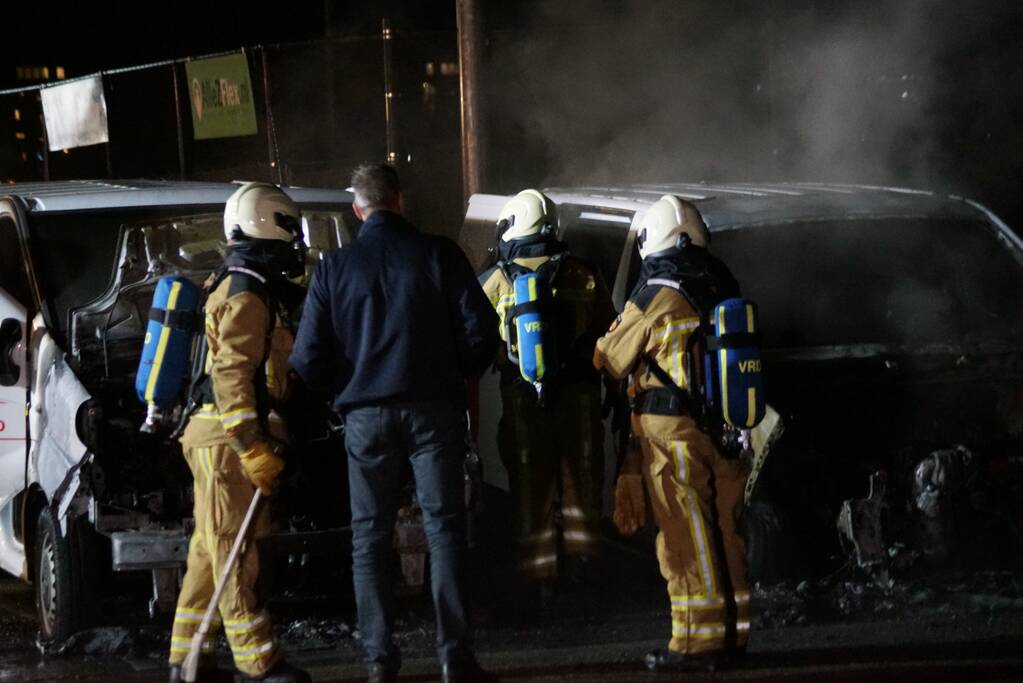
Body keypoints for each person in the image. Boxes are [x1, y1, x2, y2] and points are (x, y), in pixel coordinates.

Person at [289, 164, 499, 683]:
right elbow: (482, 331)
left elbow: (306, 357)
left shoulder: (334, 268)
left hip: (365, 418)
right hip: (434, 411)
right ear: (400, 200)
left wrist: (345, 390)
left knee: (369, 537)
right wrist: (455, 375)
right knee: (444, 530)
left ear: (357, 210)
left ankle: (379, 660)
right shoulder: (439, 255)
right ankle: (455, 656)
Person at [593, 195, 750, 672]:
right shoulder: (722, 282)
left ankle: (696, 643)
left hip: (672, 432)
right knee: (726, 532)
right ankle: (733, 634)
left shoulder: (655, 291)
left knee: (685, 533)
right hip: (726, 428)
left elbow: (611, 358)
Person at [169, 182, 310, 683]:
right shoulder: (247, 292)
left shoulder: (238, 281)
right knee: (234, 551)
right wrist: (250, 445)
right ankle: (258, 664)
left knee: (210, 551)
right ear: (268, 225)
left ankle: (188, 661)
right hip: (227, 443)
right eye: (290, 231)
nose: (296, 243)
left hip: (213, 438)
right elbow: (231, 373)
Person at [478, 189, 615, 603]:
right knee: (582, 482)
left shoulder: (498, 279)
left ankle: (540, 583)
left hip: (522, 399)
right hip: (580, 396)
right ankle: (586, 573)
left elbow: (475, 335)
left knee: (531, 486)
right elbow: (609, 332)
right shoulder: (584, 273)